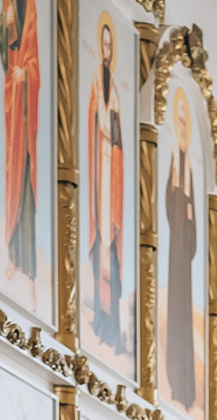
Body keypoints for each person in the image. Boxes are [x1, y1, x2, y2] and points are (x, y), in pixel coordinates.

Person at [84, 14, 126, 354]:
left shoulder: (117, 95)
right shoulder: (96, 85)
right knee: (100, 247)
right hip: (99, 175)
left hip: (113, 177)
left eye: (111, 45)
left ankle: (112, 327)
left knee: (111, 251)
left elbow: (120, 140)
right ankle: (100, 316)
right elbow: (90, 124)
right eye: (105, 44)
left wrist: (113, 145)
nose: (108, 50)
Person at [0, 0, 40, 286]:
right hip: (13, 106)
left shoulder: (32, 8)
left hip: (27, 113)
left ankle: (28, 262)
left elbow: (35, 62)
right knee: (13, 178)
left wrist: (26, 74)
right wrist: (6, 23)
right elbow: (5, 52)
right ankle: (14, 254)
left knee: (26, 184)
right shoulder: (9, 5)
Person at [163, 90, 198, 409]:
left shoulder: (191, 171)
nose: (183, 131)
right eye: (181, 125)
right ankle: (175, 380)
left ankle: (187, 387)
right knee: (175, 315)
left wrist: (188, 218)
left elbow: (194, 214)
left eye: (187, 126)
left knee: (186, 318)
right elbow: (168, 201)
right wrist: (176, 195)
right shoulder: (175, 161)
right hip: (175, 252)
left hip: (185, 253)